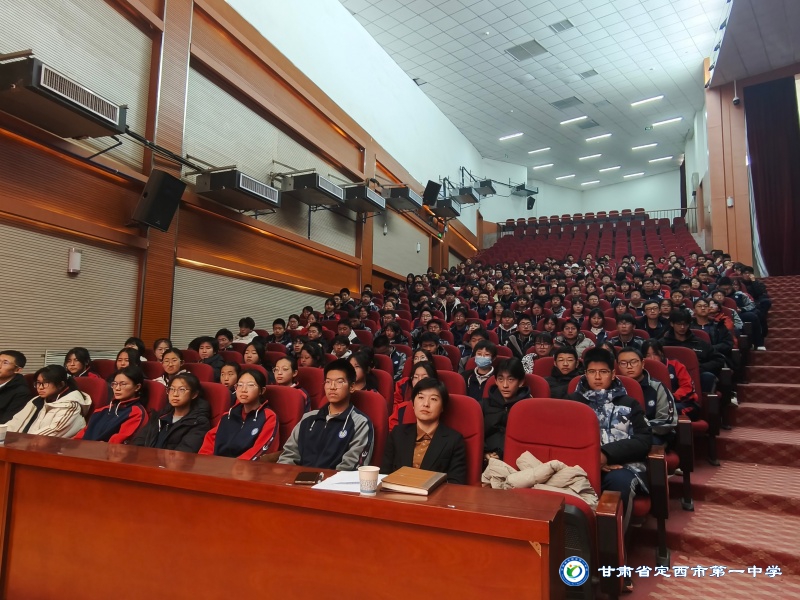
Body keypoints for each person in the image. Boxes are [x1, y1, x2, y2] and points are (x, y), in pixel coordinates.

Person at [566, 348, 651, 530]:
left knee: (620, 482)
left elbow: (644, 440)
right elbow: (562, 439)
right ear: (585, 374)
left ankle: (613, 542)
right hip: (579, 466)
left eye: (603, 372)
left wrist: (605, 455)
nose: (597, 377)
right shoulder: (571, 403)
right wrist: (592, 460)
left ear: (613, 374)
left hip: (621, 466)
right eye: (592, 372)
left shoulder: (629, 404)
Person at [277, 359, 374, 470]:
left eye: (339, 382)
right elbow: (289, 454)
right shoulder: (308, 418)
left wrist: (323, 479)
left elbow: (351, 467)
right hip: (297, 478)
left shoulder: (360, 423)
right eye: (328, 382)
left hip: (333, 480)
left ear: (351, 387)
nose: (332, 387)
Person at [381, 378, 466, 484]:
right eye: (421, 397)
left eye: (433, 399)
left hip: (435, 494)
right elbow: (384, 475)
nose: (426, 404)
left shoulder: (454, 440)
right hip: (395, 492)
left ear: (442, 407)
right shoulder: (398, 433)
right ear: (413, 404)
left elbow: (456, 484)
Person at [199, 369, 278, 459]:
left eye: (250, 385)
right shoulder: (228, 415)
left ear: (262, 391)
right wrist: (204, 462)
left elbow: (261, 450)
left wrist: (234, 466)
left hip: (246, 466)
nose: (243, 390)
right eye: (240, 385)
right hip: (217, 464)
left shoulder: (268, 417)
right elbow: (209, 442)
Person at [132, 372, 211, 452]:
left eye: (181, 390)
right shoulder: (161, 416)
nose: (175, 394)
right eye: (172, 389)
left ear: (194, 394)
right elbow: (139, 441)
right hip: (146, 458)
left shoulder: (199, 423)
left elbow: (184, 453)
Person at [7, 365, 91, 437]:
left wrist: (18, 441)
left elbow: (51, 432)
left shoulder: (71, 406)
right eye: (38, 383)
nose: (40, 387)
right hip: (23, 443)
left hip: (52, 448)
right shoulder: (37, 400)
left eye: (45, 383)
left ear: (61, 384)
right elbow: (16, 421)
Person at [616, 348, 677, 446]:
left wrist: (639, 428)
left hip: (653, 433)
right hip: (621, 434)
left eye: (634, 362)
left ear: (643, 363)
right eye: (623, 363)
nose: (629, 367)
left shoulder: (657, 387)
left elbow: (668, 420)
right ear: (618, 366)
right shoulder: (614, 389)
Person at [75, 365, 149, 443]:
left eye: (123, 384)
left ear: (137, 387)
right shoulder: (101, 411)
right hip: (85, 448)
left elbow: (118, 443)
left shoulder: (136, 413)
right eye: (115, 384)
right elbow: (82, 435)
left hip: (105, 450)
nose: (117, 388)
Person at [661, 309, 725, 392]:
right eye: (679, 324)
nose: (682, 327)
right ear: (672, 324)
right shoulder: (663, 344)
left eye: (685, 324)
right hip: (672, 376)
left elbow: (719, 359)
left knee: (708, 376)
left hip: (696, 375)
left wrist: (701, 367)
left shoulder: (699, 342)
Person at [482, 358, 532, 461]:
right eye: (500, 379)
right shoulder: (483, 405)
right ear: (495, 381)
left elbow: (530, 439)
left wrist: (501, 453)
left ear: (521, 382)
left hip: (517, 459)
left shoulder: (529, 408)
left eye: (510, 380)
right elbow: (475, 435)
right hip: (486, 458)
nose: (505, 385)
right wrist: (484, 452)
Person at [642, 340, 701, 421]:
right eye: (647, 355)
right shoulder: (641, 370)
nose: (652, 358)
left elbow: (687, 387)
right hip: (654, 404)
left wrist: (669, 398)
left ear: (661, 353)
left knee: (668, 410)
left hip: (683, 403)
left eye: (655, 354)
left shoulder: (675, 365)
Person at [390, 360, 437, 431]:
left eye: (425, 377)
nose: (419, 381)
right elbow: (391, 432)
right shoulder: (401, 408)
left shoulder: (438, 405)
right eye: (415, 377)